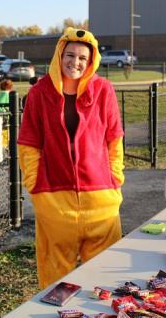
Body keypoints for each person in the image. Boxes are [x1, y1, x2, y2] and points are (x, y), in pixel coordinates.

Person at [17, 27, 125, 289]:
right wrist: (36, 185)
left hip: (100, 199)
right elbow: (29, 143)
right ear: (59, 54)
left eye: (82, 58)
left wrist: (114, 178)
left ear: (91, 61)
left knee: (105, 280)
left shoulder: (103, 90)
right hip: (55, 200)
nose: (74, 62)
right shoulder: (39, 92)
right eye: (70, 55)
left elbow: (114, 138)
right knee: (55, 282)